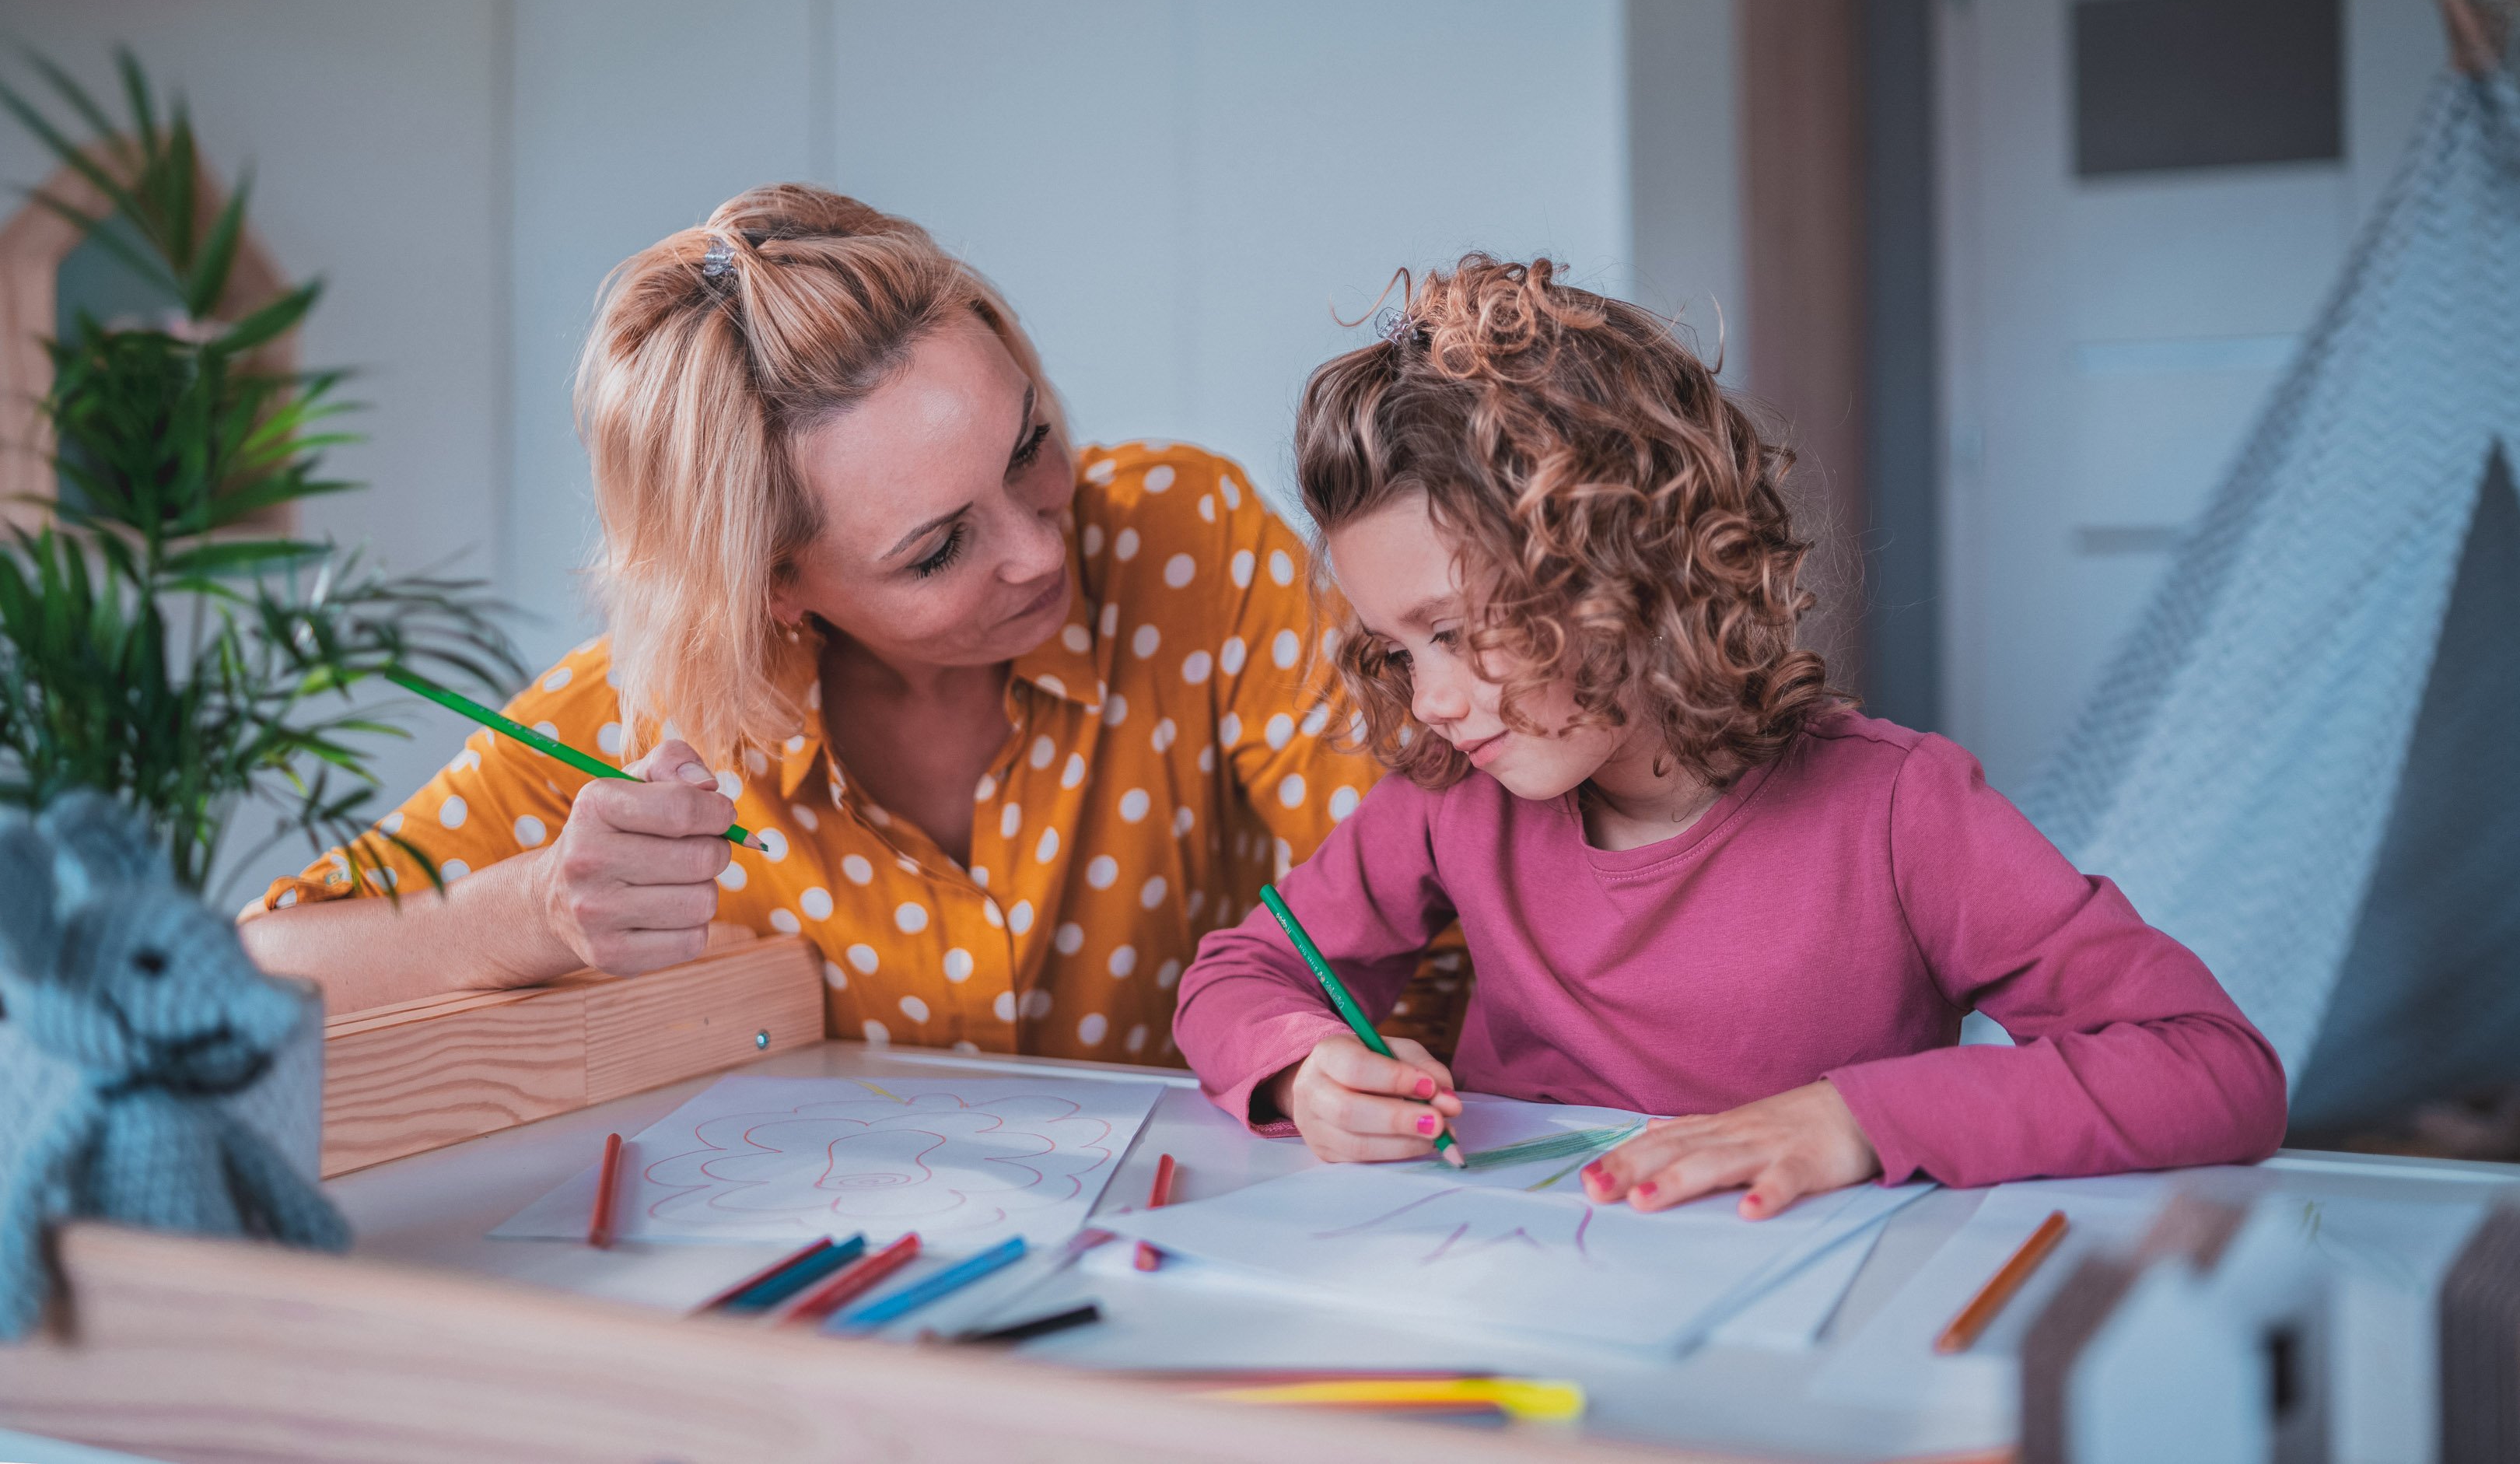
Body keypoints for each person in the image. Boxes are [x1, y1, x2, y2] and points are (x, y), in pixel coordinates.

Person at [1172, 254, 2287, 1216]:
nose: (1427, 700)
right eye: (1399, 649)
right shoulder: (1450, 794)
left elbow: (2216, 1068)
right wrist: (1300, 1067)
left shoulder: (1901, 809)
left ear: (1629, 563)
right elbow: (1238, 973)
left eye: (1456, 631)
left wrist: (1853, 1116)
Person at [240, 184, 1456, 1063]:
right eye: (936, 549)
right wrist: (533, 909)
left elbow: (1434, 905)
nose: (1043, 548)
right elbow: (262, 968)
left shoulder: (1186, 543)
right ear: (774, 586)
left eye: (1030, 444)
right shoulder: (656, 709)